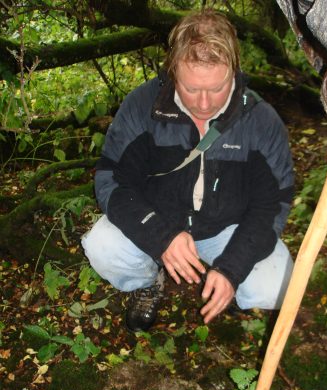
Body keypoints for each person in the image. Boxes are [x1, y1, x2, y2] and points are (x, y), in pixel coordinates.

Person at [82, 9, 294, 332]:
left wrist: (233, 268)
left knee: (279, 283)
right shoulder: (143, 106)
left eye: (217, 87)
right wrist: (161, 236)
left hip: (225, 230)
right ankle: (148, 280)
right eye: (191, 88)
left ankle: (224, 286)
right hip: (157, 221)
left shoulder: (260, 121)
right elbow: (111, 181)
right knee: (101, 246)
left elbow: (272, 205)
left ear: (234, 72)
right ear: (172, 70)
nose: (205, 104)